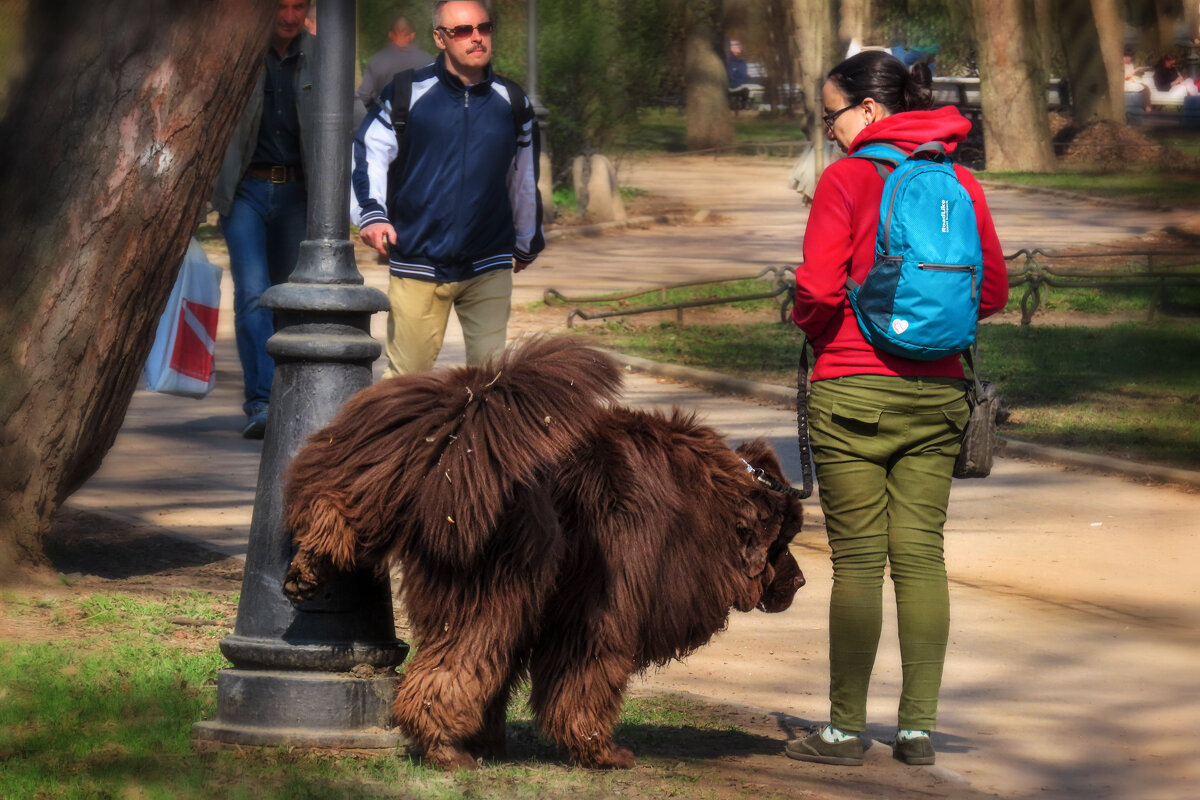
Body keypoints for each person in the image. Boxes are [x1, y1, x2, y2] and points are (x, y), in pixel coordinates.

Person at [786, 50, 1008, 767]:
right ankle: (916, 733)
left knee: (856, 563)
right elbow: (994, 293)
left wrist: (819, 331)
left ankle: (845, 732)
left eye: (832, 116)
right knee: (920, 558)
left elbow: (818, 290)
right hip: (940, 391)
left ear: (870, 112)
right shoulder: (960, 183)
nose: (829, 131)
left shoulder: (845, 179)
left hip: (852, 385)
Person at [351, 0, 543, 377]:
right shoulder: (406, 93)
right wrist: (372, 215)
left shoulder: (513, 101)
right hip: (419, 262)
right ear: (440, 38)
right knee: (406, 386)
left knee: (492, 384)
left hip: (488, 262)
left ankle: (482, 440)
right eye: (462, 31)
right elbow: (368, 153)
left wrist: (526, 240)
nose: (476, 38)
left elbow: (523, 178)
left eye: (483, 28)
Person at [210, 0, 314, 439]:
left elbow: (344, 119)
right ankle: (261, 403)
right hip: (245, 191)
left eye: (299, 6)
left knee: (290, 299)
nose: (289, 17)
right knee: (253, 293)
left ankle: (291, 401)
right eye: (280, 7)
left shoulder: (321, 57)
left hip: (296, 192)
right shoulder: (236, 51)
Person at [356, 14, 433, 110]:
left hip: (385, 120)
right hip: (420, 121)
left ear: (390, 35)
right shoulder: (428, 61)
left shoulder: (377, 60)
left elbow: (364, 95)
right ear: (412, 35)